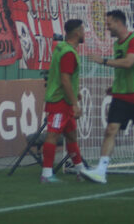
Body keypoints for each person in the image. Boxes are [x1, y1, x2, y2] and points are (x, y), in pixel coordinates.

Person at [84, 9, 134, 184]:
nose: (107, 28)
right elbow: (122, 69)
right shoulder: (117, 44)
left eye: (109, 24)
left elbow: (129, 63)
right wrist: (114, 86)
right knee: (110, 130)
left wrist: (103, 61)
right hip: (121, 95)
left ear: (119, 23)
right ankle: (101, 170)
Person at [40, 19, 89, 184]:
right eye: (83, 30)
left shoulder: (62, 48)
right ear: (76, 33)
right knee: (53, 135)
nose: (84, 33)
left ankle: (80, 170)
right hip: (59, 101)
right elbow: (65, 79)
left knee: (71, 135)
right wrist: (75, 103)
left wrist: (74, 95)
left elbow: (66, 78)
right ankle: (46, 174)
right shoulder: (68, 53)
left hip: (64, 100)